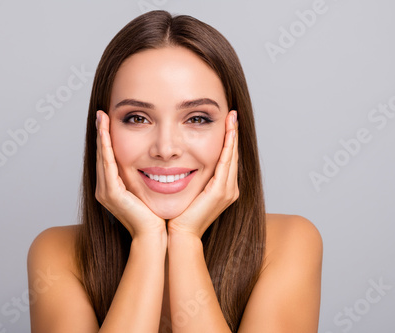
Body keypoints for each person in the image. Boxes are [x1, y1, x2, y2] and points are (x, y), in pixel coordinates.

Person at [27, 10, 323, 333]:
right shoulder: (56, 254)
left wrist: (184, 240)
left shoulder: (291, 243)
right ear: (103, 131)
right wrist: (148, 242)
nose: (166, 148)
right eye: (137, 118)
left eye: (197, 118)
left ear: (233, 130)